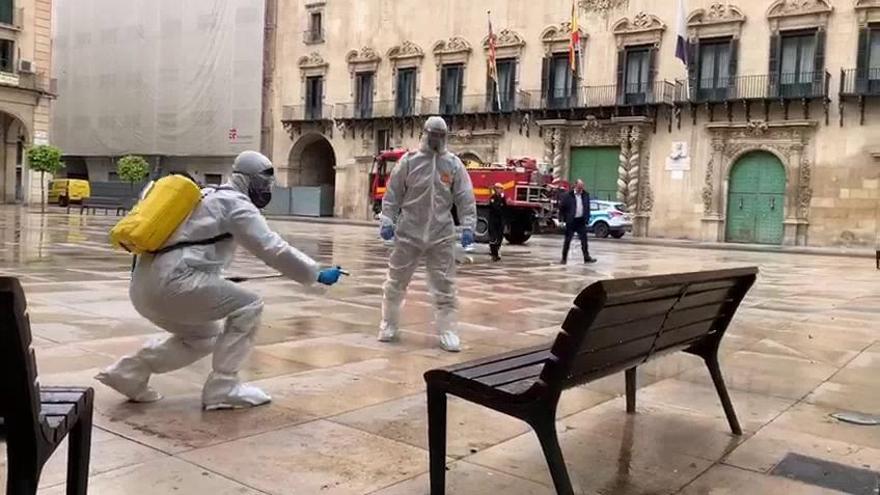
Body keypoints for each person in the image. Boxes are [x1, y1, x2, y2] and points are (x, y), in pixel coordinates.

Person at [97, 151, 344, 410]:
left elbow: (191, 248)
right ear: (247, 180)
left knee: (204, 337)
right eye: (264, 183)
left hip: (143, 286)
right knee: (249, 306)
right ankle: (224, 387)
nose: (267, 190)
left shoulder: (205, 195)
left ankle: (128, 373)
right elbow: (272, 248)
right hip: (174, 284)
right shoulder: (235, 204)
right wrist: (314, 273)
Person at [378, 116, 477, 352]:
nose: (436, 140)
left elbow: (465, 197)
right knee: (395, 282)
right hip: (409, 231)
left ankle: (448, 331)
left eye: (440, 136)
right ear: (425, 134)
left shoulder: (453, 164)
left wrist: (468, 225)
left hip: (441, 233)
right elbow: (393, 194)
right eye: (433, 135)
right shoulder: (409, 161)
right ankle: (388, 324)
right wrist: (387, 219)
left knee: (445, 285)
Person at [560, 179, 597, 264]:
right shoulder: (568, 195)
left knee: (584, 240)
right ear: (575, 186)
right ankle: (564, 258)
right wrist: (562, 219)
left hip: (581, 221)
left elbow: (587, 207)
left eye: (582, 187)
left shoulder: (585, 195)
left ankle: (586, 257)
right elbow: (562, 208)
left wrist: (587, 218)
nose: (580, 189)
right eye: (579, 187)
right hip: (571, 221)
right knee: (567, 240)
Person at [488, 183, 507, 262]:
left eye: (501, 189)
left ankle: (497, 253)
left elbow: (505, 208)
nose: (500, 190)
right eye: (499, 188)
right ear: (495, 189)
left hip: (500, 220)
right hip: (493, 221)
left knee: (500, 237)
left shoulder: (502, 198)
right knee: (493, 238)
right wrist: (501, 204)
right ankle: (494, 254)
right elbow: (495, 208)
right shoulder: (493, 198)